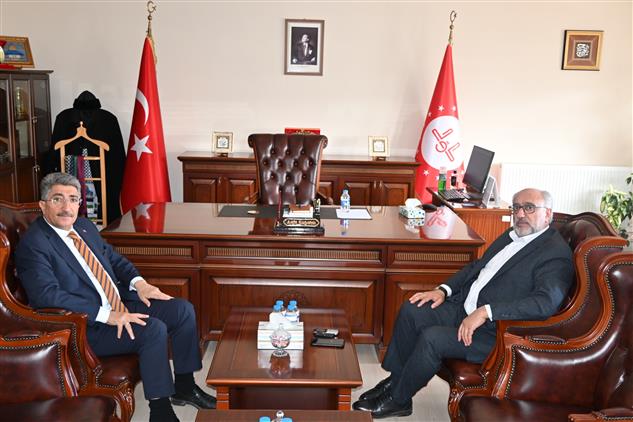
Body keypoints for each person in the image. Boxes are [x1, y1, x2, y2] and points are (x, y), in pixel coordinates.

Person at [352, 188, 575, 419]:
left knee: (432, 338)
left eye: (529, 208)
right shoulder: (512, 235)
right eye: (516, 207)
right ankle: (397, 382)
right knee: (413, 309)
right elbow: (477, 267)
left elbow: (544, 303)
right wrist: (442, 290)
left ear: (547, 214)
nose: (520, 214)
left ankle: (398, 400)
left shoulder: (555, 254)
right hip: (464, 308)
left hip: (496, 333)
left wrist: (487, 312)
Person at [15, 172, 215, 422]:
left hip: (116, 302)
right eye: (58, 199)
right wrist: (107, 315)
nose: (67, 207)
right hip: (84, 326)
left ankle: (184, 387)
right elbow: (47, 296)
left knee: (181, 310)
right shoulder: (35, 244)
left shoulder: (84, 227)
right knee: (152, 330)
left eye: (73, 199)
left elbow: (115, 260)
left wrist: (140, 284)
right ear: (43, 205)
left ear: (80, 203)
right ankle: (161, 412)